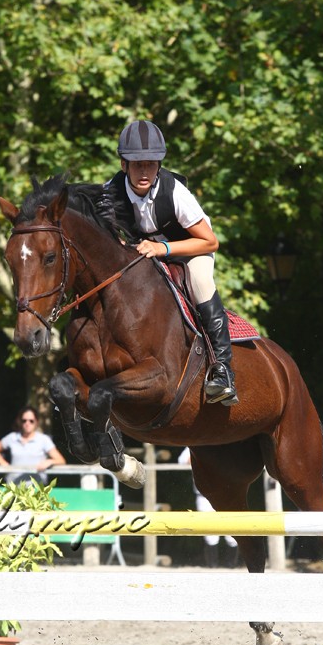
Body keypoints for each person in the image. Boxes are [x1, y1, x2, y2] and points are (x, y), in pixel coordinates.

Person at [106, 119, 238, 406]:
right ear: (123, 165)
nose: (144, 171)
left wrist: (162, 247)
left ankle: (223, 371)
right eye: (137, 163)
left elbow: (210, 241)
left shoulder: (175, 191)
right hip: (144, 253)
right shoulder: (110, 192)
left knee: (200, 283)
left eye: (151, 164)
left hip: (189, 248)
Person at [178, 447, 238, 567]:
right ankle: (212, 566)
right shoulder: (196, 443)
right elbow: (182, 460)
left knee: (232, 532)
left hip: (227, 495)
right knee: (210, 533)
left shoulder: (229, 441)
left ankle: (231, 565)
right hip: (204, 496)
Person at [0, 406, 66, 484]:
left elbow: (61, 460)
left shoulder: (44, 439)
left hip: (36, 490)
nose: (27, 423)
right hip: (13, 488)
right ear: (19, 422)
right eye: (24, 420)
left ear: (37, 422)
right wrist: (4, 464)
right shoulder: (12, 437)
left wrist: (50, 461)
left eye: (31, 421)